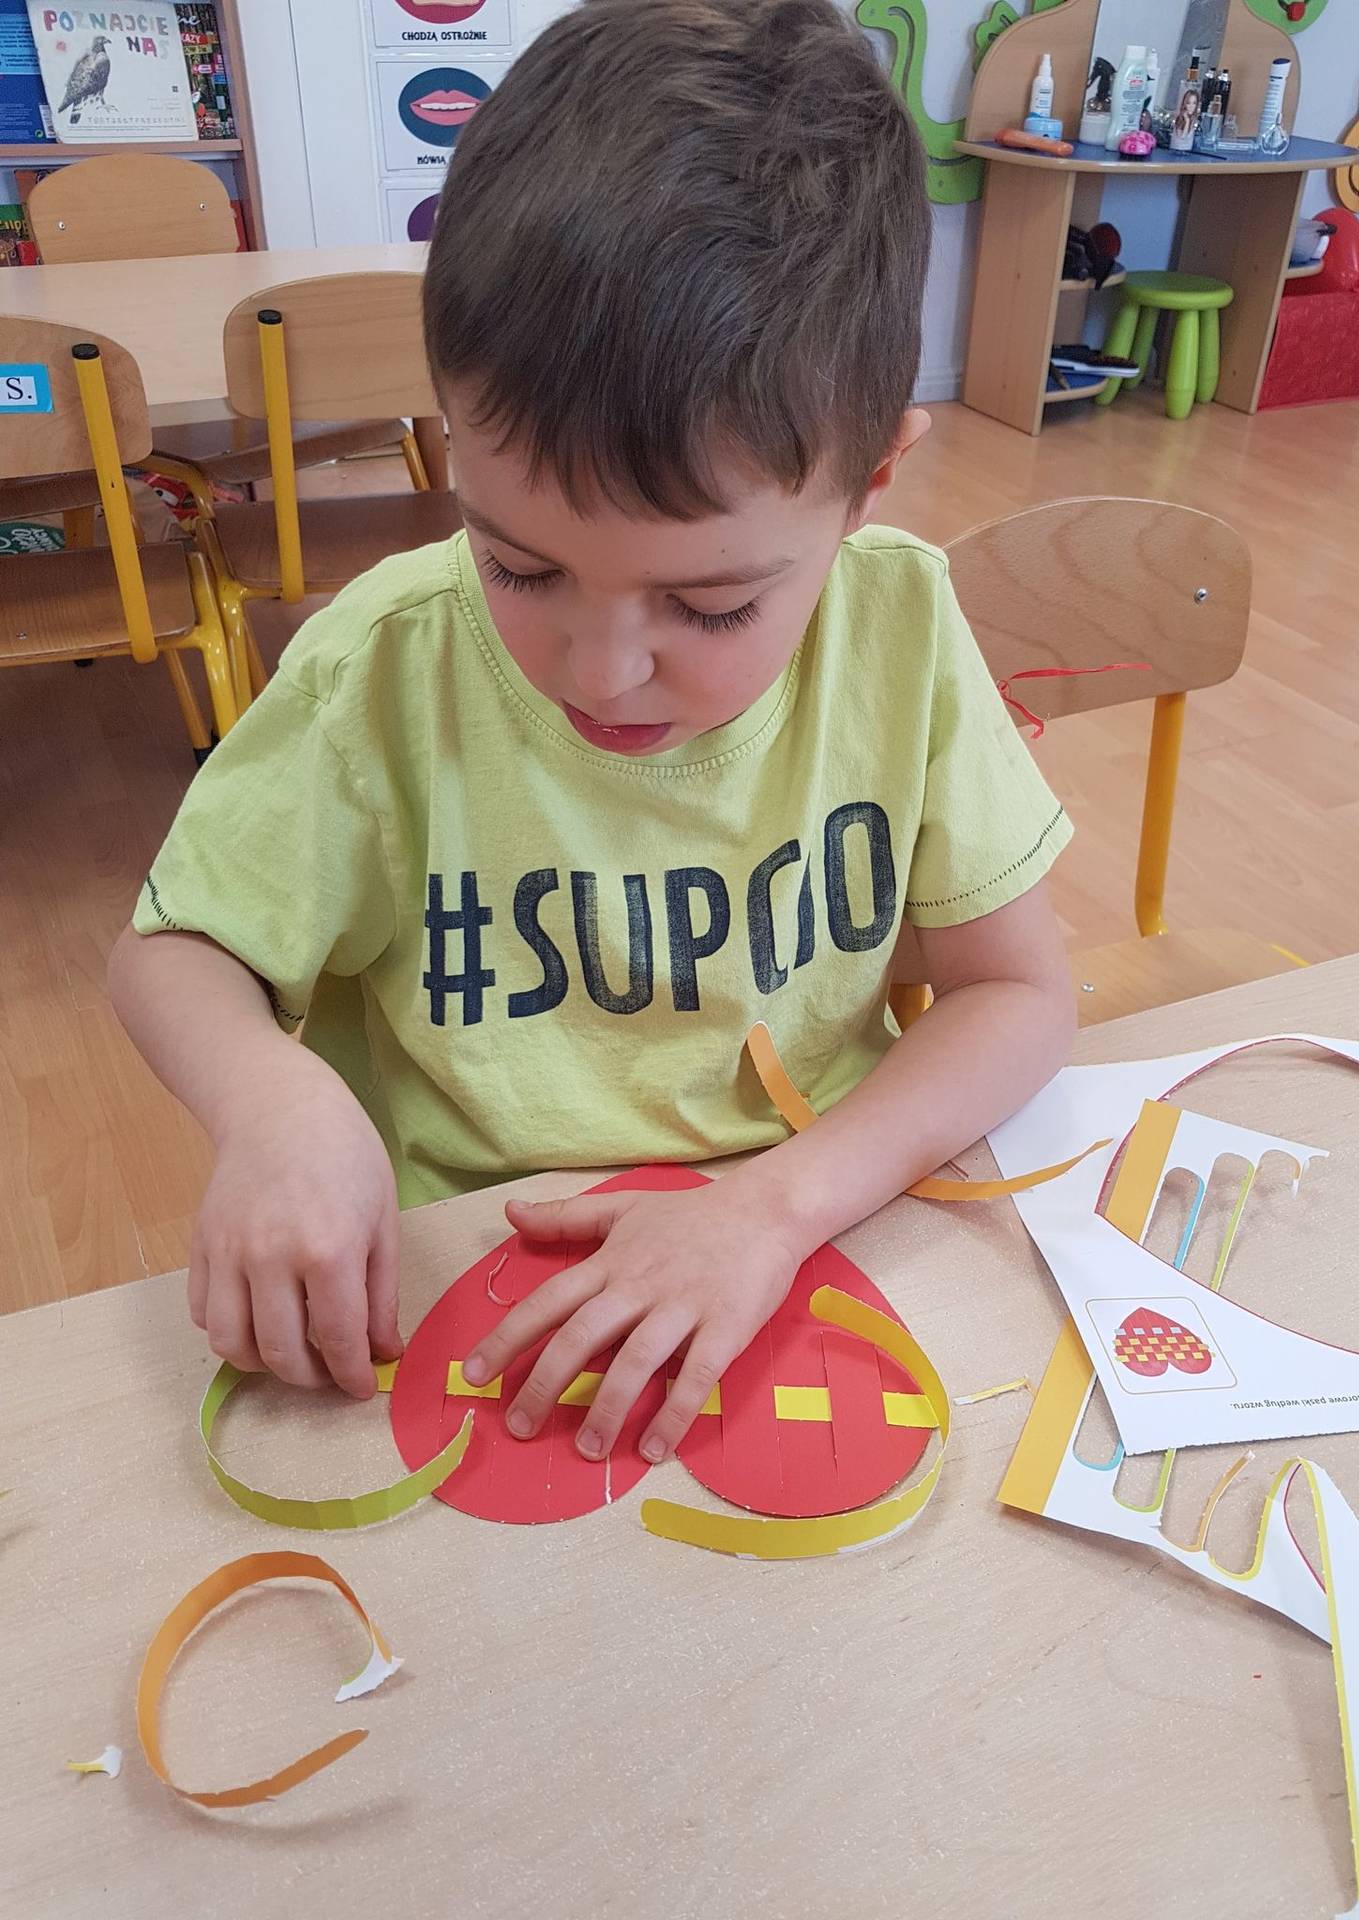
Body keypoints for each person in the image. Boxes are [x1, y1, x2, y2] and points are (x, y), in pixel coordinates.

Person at [109, 0, 1075, 1471]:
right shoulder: (385, 665)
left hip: (810, 1243)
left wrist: (774, 1209)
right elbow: (172, 952)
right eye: (519, 567)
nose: (606, 670)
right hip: (464, 1294)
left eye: (711, 602)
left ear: (872, 479)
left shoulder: (900, 625)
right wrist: (271, 1101)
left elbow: (1019, 994)